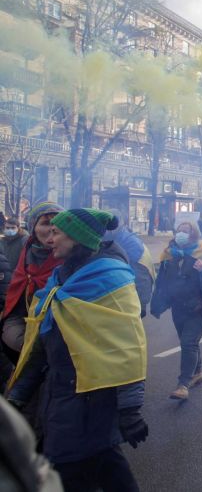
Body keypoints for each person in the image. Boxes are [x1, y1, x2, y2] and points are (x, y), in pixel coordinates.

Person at [6, 208, 148, 492]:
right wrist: (17, 397)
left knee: (70, 469)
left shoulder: (111, 281)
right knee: (106, 466)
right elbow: (43, 347)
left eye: (57, 233)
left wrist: (130, 408)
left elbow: (127, 347)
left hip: (91, 400)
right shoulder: (60, 279)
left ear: (76, 238)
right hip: (62, 396)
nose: (51, 239)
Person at [150, 222, 202, 400]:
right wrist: (157, 301)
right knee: (188, 342)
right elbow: (161, 280)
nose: (181, 233)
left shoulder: (201, 250)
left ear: (193, 234)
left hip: (198, 307)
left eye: (186, 230)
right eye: (179, 230)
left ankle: (183, 384)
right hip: (178, 307)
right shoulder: (170, 253)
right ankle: (197, 372)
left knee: (188, 343)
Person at [1, 202, 64, 365]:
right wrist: (21, 340)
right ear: (33, 228)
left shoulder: (73, 259)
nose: (52, 228)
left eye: (58, 223)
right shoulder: (26, 257)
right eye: (45, 223)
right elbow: (15, 310)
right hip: (27, 344)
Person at [102, 211, 155, 318]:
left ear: (121, 223)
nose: (108, 226)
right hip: (120, 297)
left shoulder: (131, 244)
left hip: (132, 298)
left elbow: (139, 275)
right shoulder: (111, 238)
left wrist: (140, 303)